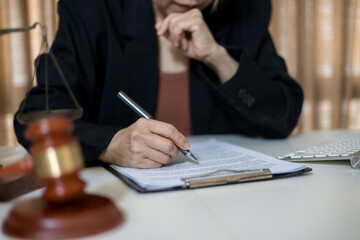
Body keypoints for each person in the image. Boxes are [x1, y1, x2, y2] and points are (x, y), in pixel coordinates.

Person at [14, 0, 303, 169]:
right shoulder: (93, 8)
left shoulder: (246, 9)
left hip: (223, 197)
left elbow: (282, 117)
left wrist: (217, 57)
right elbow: (37, 117)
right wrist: (111, 144)